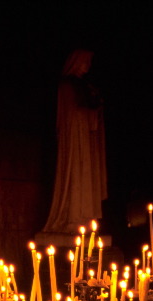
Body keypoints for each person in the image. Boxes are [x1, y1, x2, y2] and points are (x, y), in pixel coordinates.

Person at [41, 49, 108, 234]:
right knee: (76, 176)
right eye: (85, 61)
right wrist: (92, 112)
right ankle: (73, 217)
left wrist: (96, 109)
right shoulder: (67, 85)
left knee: (86, 176)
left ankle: (86, 217)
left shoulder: (84, 85)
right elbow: (71, 115)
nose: (87, 66)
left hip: (86, 142)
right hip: (74, 142)